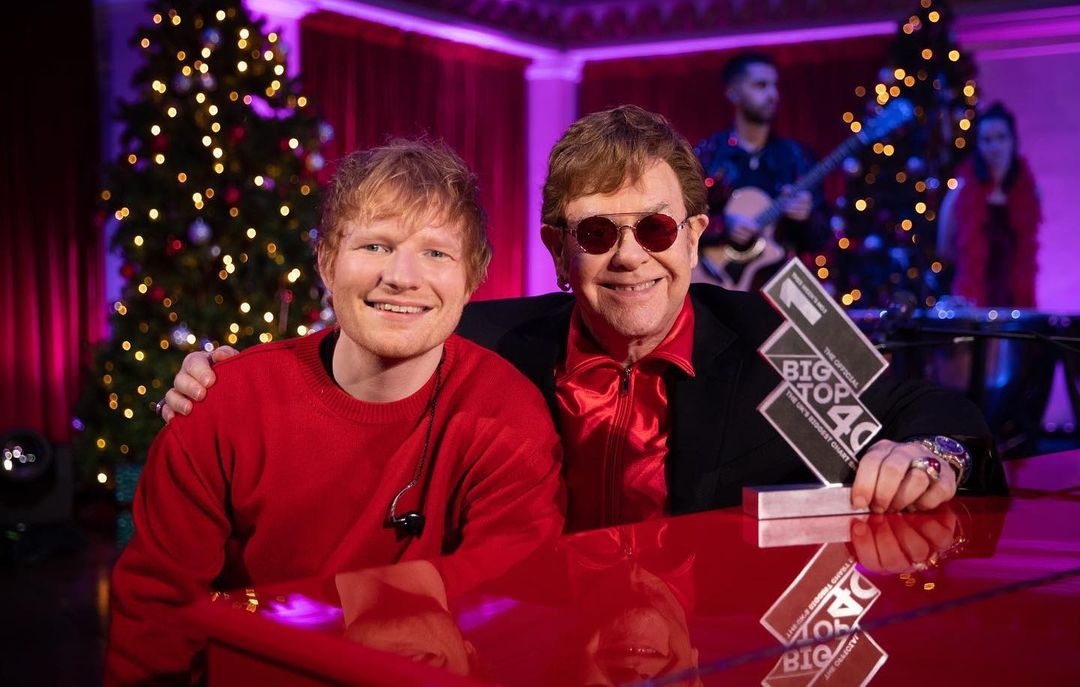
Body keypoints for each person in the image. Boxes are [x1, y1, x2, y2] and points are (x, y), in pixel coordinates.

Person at [163, 106, 1003, 537]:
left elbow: (938, 411)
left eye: (658, 227)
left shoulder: (777, 333)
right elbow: (366, 347)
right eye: (599, 232)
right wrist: (228, 376)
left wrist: (931, 452)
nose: (632, 256)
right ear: (558, 248)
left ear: (697, 234)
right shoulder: (486, 342)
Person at [106, 140, 565, 684]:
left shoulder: (508, 416)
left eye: (437, 252)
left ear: (473, 278)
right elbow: (156, 615)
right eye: (374, 245)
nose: (402, 276)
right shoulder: (221, 404)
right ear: (326, 260)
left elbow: (508, 597)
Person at [692, 52, 825, 291]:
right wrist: (722, 226)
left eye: (775, 86)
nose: (772, 95)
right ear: (733, 93)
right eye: (761, 85)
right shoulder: (709, 156)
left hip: (783, 286)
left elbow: (819, 239)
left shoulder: (796, 157)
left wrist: (807, 217)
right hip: (718, 283)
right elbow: (682, 221)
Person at [937, 102, 1041, 307]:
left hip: (1016, 302)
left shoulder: (1030, 192)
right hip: (972, 303)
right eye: (987, 140)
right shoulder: (961, 189)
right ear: (978, 145)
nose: (995, 147)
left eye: (1001, 138)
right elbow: (945, 248)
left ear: (1013, 141)